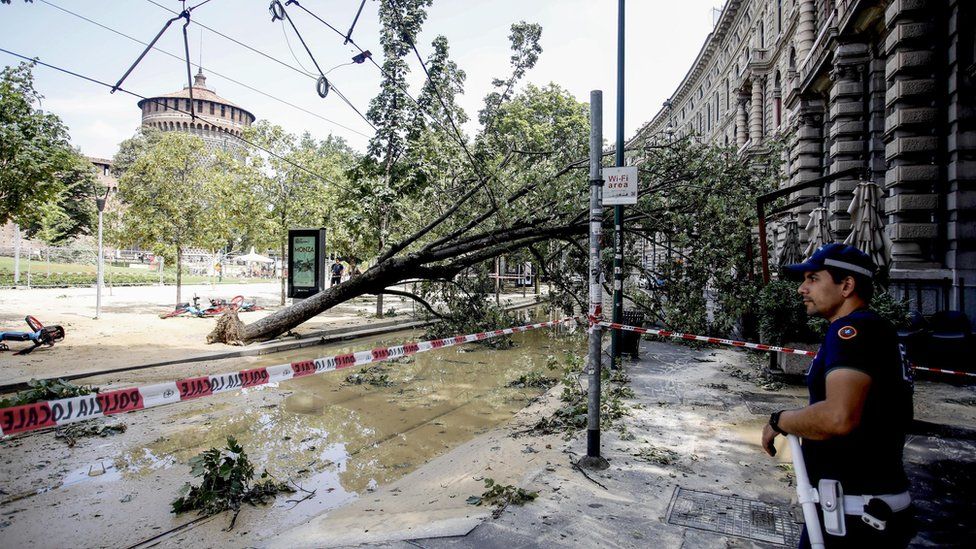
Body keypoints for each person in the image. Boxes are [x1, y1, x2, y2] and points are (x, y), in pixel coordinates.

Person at [761, 243, 914, 548]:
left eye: (813, 279)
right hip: (858, 509)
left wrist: (780, 421)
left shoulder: (852, 332)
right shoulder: (870, 329)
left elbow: (837, 417)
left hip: (855, 518)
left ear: (846, 285)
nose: (802, 289)